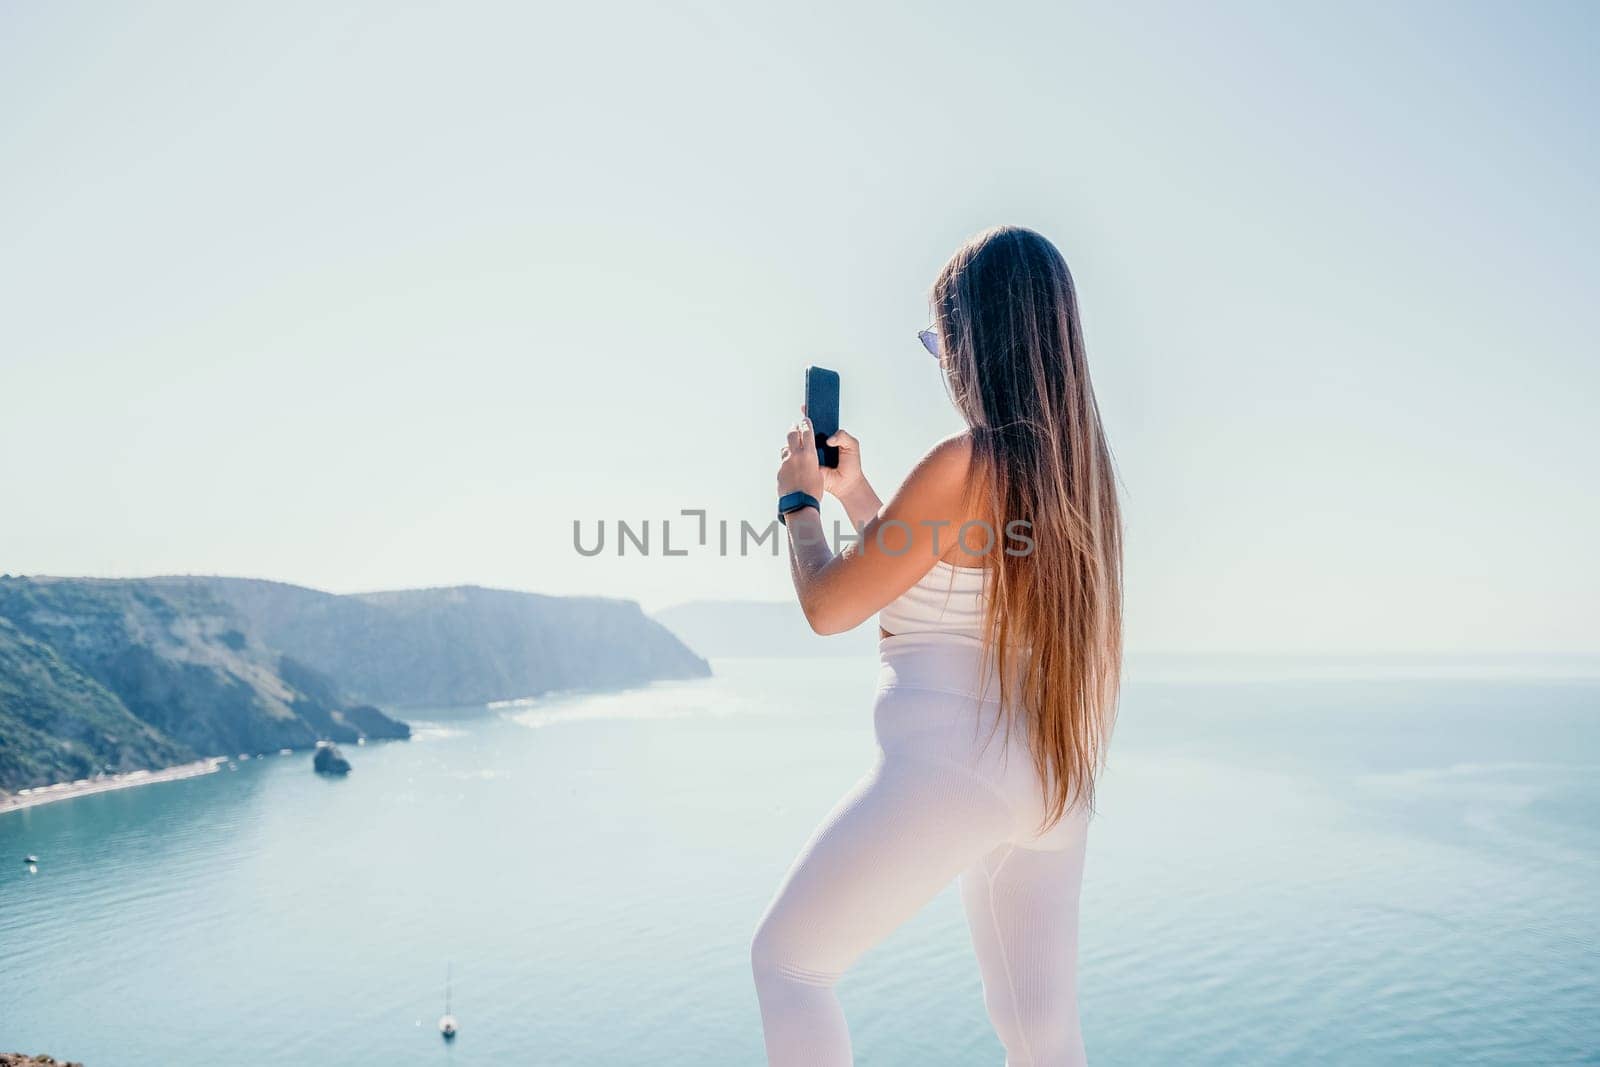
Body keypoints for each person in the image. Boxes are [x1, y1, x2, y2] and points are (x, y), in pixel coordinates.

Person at [753, 226, 1124, 1066]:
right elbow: (942, 576)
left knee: (788, 965)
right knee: (1041, 1035)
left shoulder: (968, 460)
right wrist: (856, 495)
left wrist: (798, 504)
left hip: (957, 764)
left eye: (940, 342)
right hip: (1049, 776)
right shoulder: (1076, 480)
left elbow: (830, 604)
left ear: (975, 341)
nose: (944, 363)